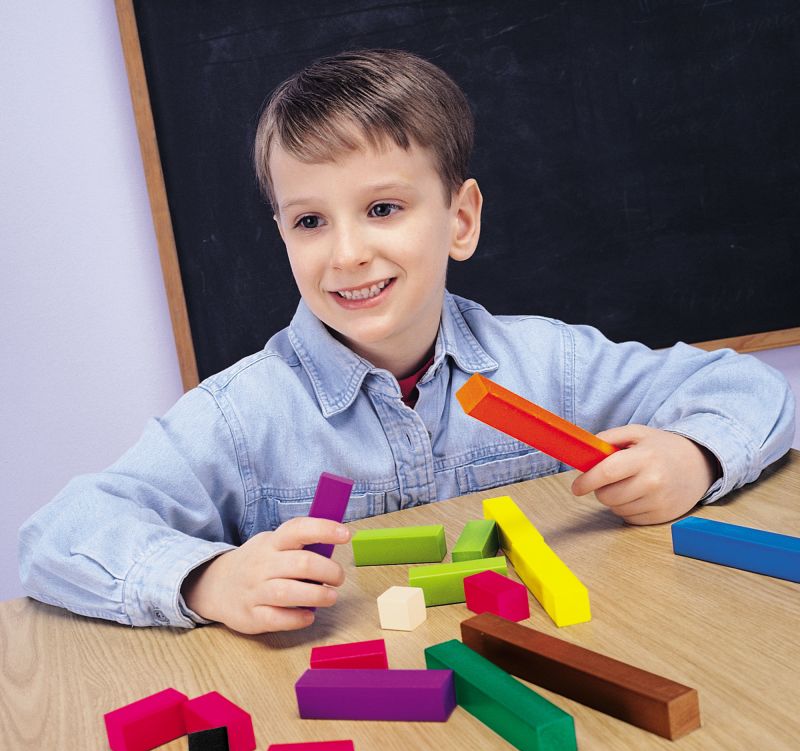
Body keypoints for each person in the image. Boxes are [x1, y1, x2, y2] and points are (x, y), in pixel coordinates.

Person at [19, 49, 795, 636]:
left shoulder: (545, 366)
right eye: (310, 220)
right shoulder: (242, 418)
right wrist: (207, 582)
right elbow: (59, 535)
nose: (347, 252)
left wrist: (693, 456)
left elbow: (747, 388)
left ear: (460, 220)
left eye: (383, 208)